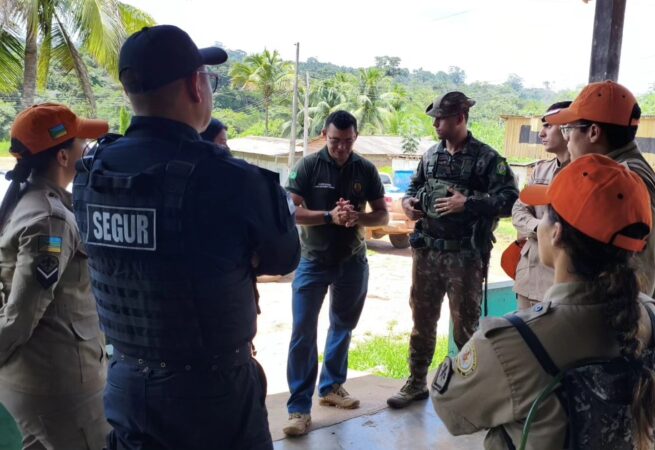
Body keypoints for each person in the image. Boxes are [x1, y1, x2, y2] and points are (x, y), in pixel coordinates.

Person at [71, 25, 300, 450]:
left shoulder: (91, 174)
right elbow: (283, 259)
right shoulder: (231, 179)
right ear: (197, 85)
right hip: (211, 395)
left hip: (125, 382)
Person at [431, 154, 655, 450]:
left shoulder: (514, 342)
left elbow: (451, 409)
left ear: (557, 233)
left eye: (546, 213)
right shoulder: (653, 320)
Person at [387, 91, 518, 409]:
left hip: (465, 257)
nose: (436, 125)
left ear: (460, 118)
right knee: (422, 322)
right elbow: (415, 187)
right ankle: (417, 382)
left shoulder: (487, 159)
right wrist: (409, 204)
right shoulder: (430, 156)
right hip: (428, 254)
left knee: (465, 329)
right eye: (434, 119)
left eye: (441, 119)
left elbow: (510, 200)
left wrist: (468, 203)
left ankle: (467, 392)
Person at [0, 103, 110, 449]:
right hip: (59, 389)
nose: (87, 149)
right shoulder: (50, 220)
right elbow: (21, 315)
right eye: (81, 143)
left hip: (34, 378)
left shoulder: (23, 201)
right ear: (63, 158)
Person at [282, 110, 388, 437]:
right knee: (303, 330)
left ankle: (331, 387)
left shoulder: (366, 170)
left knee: (342, 326)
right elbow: (291, 210)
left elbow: (381, 214)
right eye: (334, 141)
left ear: (355, 138)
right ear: (324, 136)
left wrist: (357, 218)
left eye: (347, 142)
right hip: (312, 260)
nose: (340, 148)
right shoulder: (308, 166)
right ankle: (299, 408)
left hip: (352, 260)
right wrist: (330, 216)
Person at [545, 81, 655, 299]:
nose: (567, 139)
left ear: (593, 132)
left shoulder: (626, 179)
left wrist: (623, 326)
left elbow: (640, 267)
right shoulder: (620, 173)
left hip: (614, 321)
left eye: (568, 129)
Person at [511, 101, 571, 310]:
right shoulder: (541, 170)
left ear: (568, 128)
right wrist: (539, 227)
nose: (541, 133)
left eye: (548, 126)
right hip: (529, 273)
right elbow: (519, 210)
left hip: (560, 280)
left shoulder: (585, 173)